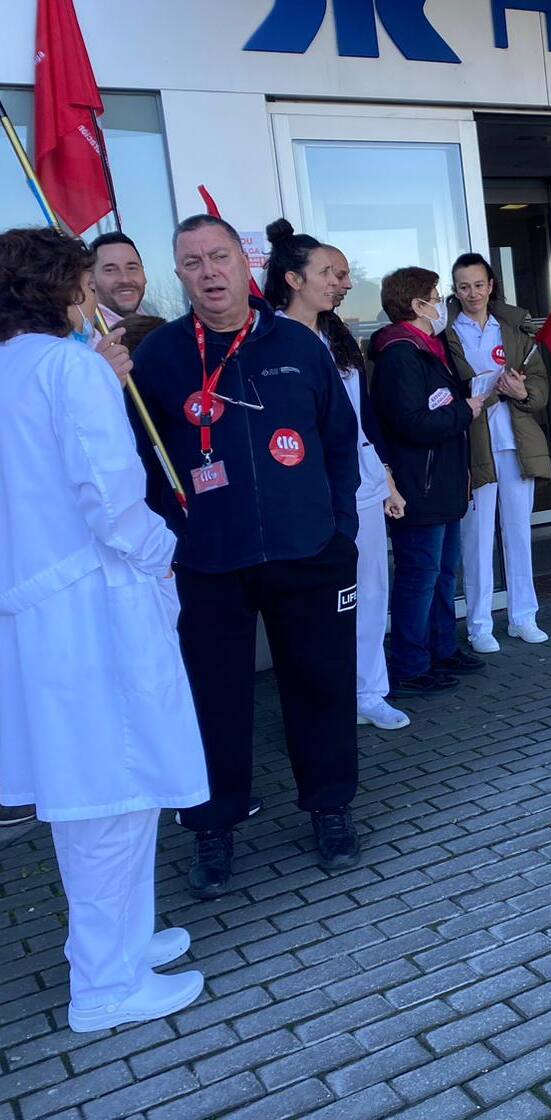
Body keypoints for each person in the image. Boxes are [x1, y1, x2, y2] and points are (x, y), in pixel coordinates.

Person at [0, 226, 208, 1031]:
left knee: (111, 788)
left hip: (44, 608)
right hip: (93, 604)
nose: (94, 293)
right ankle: (105, 984)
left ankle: (122, 941)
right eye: (85, 280)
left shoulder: (14, 368)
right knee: (111, 792)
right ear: (61, 288)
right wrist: (161, 553)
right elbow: (111, 494)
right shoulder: (68, 368)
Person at [133, 214, 362, 898]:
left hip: (309, 551)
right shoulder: (162, 357)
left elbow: (340, 441)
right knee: (211, 701)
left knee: (320, 686)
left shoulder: (297, 342)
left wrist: (341, 528)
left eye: (219, 256)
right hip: (206, 561)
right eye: (192, 261)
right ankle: (213, 827)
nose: (208, 271)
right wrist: (165, 541)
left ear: (243, 261)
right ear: (179, 274)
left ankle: (330, 810)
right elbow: (140, 461)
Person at [263, 220, 410, 732]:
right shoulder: (267, 340)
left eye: (344, 273)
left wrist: (387, 480)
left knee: (370, 592)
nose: (343, 282)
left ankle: (370, 691)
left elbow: (365, 420)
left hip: (362, 486)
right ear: (293, 279)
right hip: (305, 494)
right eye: (330, 272)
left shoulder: (339, 338)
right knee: (318, 603)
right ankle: (324, 704)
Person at [369, 268, 487, 692]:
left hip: (443, 481)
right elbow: (411, 424)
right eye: (436, 298)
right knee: (419, 576)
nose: (442, 305)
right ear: (416, 306)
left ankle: (442, 648)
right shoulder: (400, 354)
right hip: (420, 484)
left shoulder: (427, 348)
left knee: (441, 575)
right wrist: (464, 411)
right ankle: (410, 664)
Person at [446, 254, 551, 651]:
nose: (472, 293)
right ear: (454, 291)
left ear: (491, 285)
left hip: (515, 443)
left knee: (519, 534)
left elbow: (540, 383)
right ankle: (479, 624)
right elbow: (450, 391)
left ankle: (524, 615)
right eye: (463, 286)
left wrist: (523, 392)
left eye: (478, 284)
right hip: (474, 446)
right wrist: (489, 390)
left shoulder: (512, 328)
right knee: (476, 537)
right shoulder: (446, 332)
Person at [90, 232, 166, 354]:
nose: (125, 279)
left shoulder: (152, 312)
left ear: (144, 274)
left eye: (132, 268)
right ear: (91, 280)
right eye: (110, 270)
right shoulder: (87, 338)